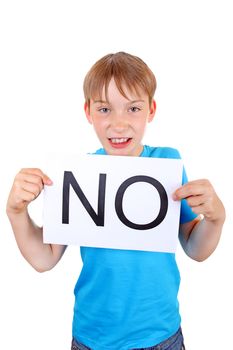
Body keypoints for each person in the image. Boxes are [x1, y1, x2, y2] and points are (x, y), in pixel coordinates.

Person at [6, 52, 225, 350]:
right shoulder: (78, 174)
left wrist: (216, 218)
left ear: (151, 110)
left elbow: (195, 249)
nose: (119, 124)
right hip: (92, 339)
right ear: (88, 112)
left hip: (161, 336)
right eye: (105, 109)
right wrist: (16, 212)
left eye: (133, 108)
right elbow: (44, 259)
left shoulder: (168, 163)